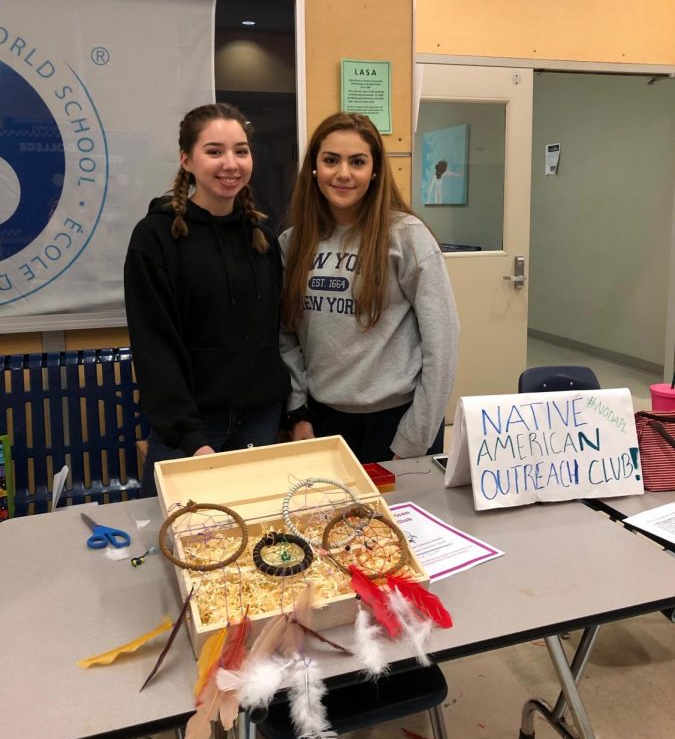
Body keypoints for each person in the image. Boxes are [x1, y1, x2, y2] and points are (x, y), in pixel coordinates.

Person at [124, 102, 290, 496]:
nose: (230, 163)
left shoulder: (263, 237)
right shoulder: (155, 238)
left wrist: (287, 412)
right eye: (214, 151)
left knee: (252, 536)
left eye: (241, 150)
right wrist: (190, 438)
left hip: (260, 420)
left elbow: (277, 333)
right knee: (179, 543)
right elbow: (154, 346)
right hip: (192, 430)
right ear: (187, 160)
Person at [280, 112, 459, 464]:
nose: (343, 173)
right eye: (331, 160)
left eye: (357, 161)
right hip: (323, 421)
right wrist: (297, 413)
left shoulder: (407, 237)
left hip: (398, 423)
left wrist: (414, 437)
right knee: (330, 520)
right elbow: (286, 336)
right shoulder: (293, 243)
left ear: (374, 170)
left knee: (395, 521)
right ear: (314, 167)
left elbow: (443, 343)